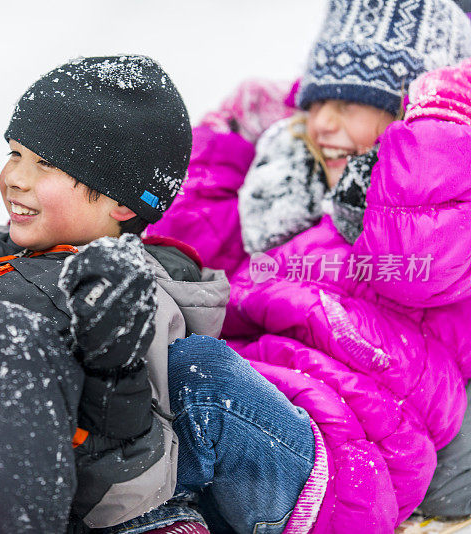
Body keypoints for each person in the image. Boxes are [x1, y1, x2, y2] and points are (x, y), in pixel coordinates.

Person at [148, 0, 471, 531]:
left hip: (345, 452)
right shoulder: (288, 193)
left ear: (414, 115)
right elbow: (177, 266)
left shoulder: (437, 221)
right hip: (265, 405)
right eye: (316, 100)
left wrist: (447, 127)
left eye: (350, 101)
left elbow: (417, 254)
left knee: (194, 376)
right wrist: (225, 143)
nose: (321, 123)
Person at [0, 55, 234, 533]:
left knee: (2, 336)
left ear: (122, 201)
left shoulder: (127, 294)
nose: (15, 177)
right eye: (14, 154)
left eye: (46, 164)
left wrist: (113, 363)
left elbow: (123, 446)